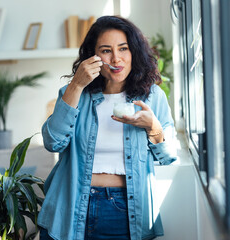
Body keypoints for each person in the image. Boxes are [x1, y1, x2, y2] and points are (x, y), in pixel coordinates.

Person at [37, 15, 177, 240]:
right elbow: (53, 142)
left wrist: (153, 128)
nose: (116, 58)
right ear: (93, 57)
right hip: (70, 207)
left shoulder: (152, 97)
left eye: (123, 48)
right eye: (105, 50)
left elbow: (169, 156)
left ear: (134, 52)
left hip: (125, 210)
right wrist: (77, 84)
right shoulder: (74, 93)